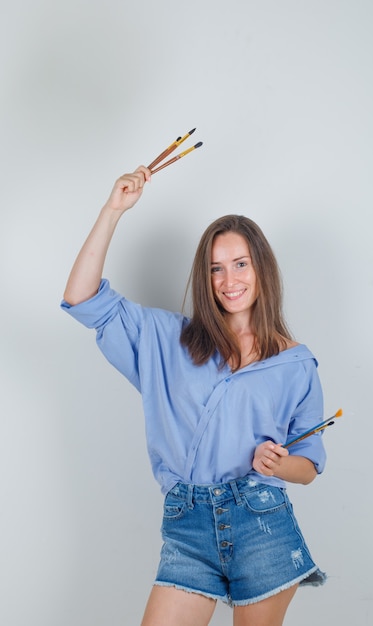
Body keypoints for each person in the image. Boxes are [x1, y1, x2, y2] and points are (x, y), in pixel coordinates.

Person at [61, 165, 327, 626]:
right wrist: (113, 211)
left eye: (240, 264)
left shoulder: (297, 365)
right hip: (187, 525)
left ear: (261, 268)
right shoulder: (168, 340)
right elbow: (83, 300)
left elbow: (308, 466)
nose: (229, 281)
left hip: (262, 523)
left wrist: (278, 464)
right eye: (216, 269)